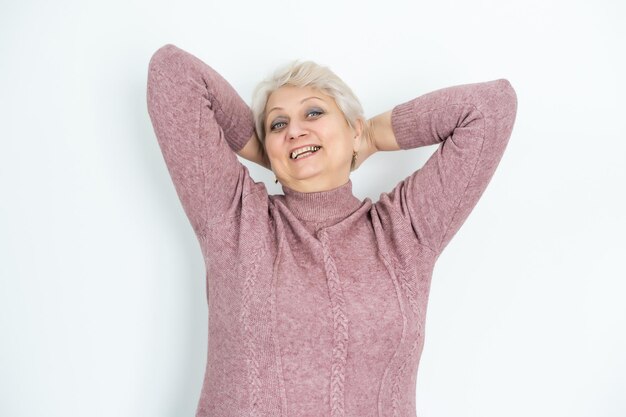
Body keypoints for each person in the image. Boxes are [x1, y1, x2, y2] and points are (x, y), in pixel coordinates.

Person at [146, 43, 517, 417]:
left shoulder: (404, 230)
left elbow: (490, 108)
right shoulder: (235, 219)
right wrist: (265, 149)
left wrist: (370, 135)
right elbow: (173, 73)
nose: (295, 130)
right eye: (278, 124)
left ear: (351, 128)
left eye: (314, 112)